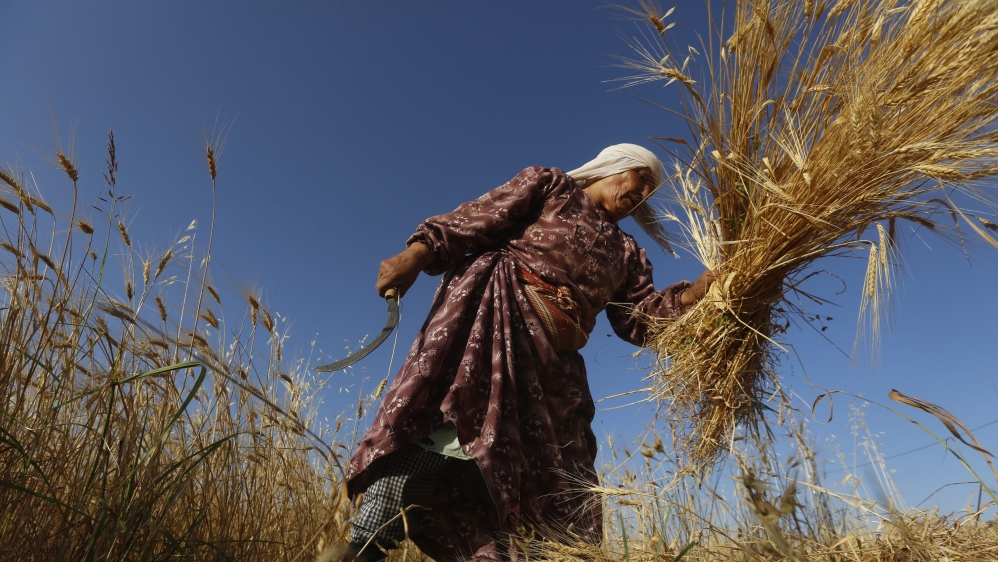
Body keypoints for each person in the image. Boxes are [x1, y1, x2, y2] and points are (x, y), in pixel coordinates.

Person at [341, 144, 716, 561]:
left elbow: (638, 319)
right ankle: (364, 546)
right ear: (614, 166)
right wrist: (415, 254)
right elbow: (476, 218)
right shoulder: (551, 187)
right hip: (492, 329)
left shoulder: (628, 253)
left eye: (650, 192)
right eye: (640, 180)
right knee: (448, 429)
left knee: (559, 481)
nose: (642, 194)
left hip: (551, 371)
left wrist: (694, 296)